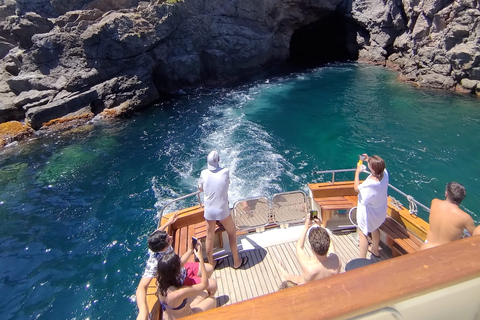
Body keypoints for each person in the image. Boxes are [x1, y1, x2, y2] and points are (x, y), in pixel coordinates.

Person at [135, 214, 216, 320]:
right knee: (212, 285)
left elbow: (155, 234)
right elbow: (141, 287)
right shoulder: (154, 263)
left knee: (209, 268)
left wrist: (168, 223)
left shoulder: (156, 244)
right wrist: (143, 311)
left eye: (167, 235)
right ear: (163, 247)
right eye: (168, 239)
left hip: (182, 269)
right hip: (178, 281)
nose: (171, 237)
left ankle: (201, 297)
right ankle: (208, 301)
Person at [198, 151, 248, 269]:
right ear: (218, 160)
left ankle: (212, 263)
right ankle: (236, 262)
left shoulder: (203, 173)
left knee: (209, 236)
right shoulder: (225, 172)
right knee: (232, 233)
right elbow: (227, 183)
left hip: (209, 210)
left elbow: (200, 189)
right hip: (222, 210)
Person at [156, 242, 216, 320]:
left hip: (170, 315)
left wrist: (190, 250)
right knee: (212, 299)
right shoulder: (178, 293)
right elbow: (204, 284)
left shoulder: (159, 282)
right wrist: (201, 258)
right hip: (187, 316)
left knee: (204, 294)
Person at [277, 214, 340, 284]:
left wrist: (306, 227)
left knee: (300, 280)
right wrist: (321, 225)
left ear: (312, 248)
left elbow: (299, 247)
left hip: (310, 287)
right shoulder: (336, 261)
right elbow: (331, 245)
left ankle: (285, 275)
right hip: (328, 287)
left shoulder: (309, 267)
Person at [421, 182, 476, 250]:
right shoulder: (465, 217)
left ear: (446, 193)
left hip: (427, 245)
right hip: (445, 251)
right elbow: (475, 235)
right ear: (462, 198)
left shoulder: (435, 202)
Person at [354, 154, 389, 258]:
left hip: (368, 214)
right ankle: (375, 250)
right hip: (379, 212)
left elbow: (356, 188)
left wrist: (357, 172)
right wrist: (368, 159)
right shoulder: (385, 173)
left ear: (372, 169)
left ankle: (362, 260)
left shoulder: (369, 184)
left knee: (363, 234)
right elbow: (377, 167)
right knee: (375, 228)